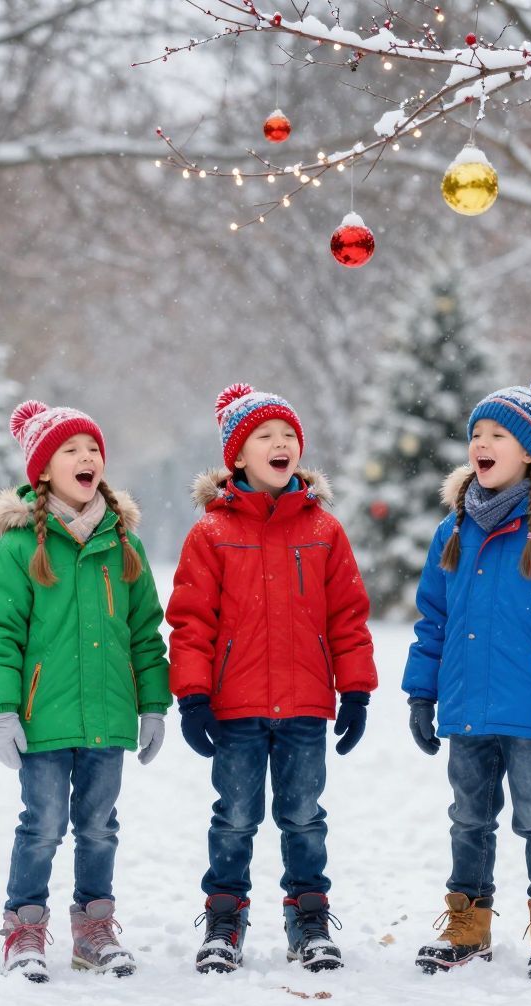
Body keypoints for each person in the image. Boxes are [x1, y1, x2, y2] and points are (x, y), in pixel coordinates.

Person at [402, 370, 531, 980]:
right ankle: (467, 925)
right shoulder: (453, 530)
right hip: (467, 707)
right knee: (468, 818)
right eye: (477, 434)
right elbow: (433, 620)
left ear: (530, 453)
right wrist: (421, 693)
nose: (482, 445)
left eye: (498, 435)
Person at [166, 383, 377, 974]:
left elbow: (347, 616)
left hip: (305, 704)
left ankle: (308, 917)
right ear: (238, 455)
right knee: (235, 816)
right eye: (265, 436)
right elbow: (191, 620)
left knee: (304, 816)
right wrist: (193, 696)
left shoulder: (324, 530)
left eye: (288, 435)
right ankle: (224, 918)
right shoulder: (211, 533)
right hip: (235, 707)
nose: (280, 443)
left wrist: (355, 690)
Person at [0, 400, 171, 982]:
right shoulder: (18, 548)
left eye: (93, 449)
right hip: (43, 718)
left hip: (108, 715)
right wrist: (0, 710)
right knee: (43, 825)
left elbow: (144, 632)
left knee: (100, 825)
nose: (87, 458)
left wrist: (154, 705)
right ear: (43, 470)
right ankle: (25, 927)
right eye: (70, 450)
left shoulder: (123, 545)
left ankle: (94, 929)